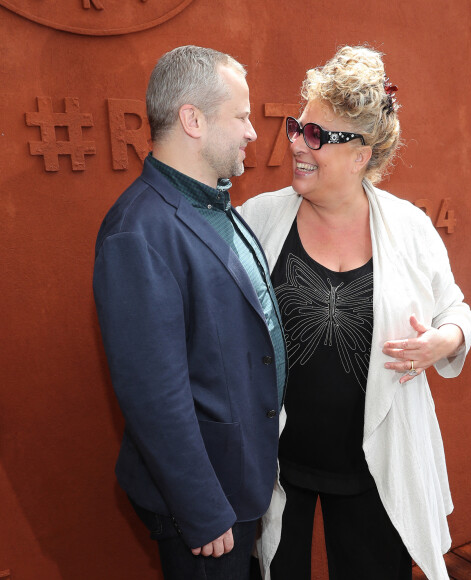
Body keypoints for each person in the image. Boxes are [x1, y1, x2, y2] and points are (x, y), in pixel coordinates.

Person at [239, 46, 471, 580]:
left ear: (361, 154)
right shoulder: (258, 219)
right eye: (300, 127)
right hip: (277, 463)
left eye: (317, 136)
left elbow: (456, 309)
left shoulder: (409, 228)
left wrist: (447, 339)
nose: (296, 143)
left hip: (376, 463)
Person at [93, 46, 286, 580]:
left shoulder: (214, 203)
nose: (253, 132)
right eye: (242, 116)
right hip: (204, 505)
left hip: (238, 482)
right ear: (193, 119)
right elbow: (154, 394)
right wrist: (200, 509)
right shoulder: (139, 231)